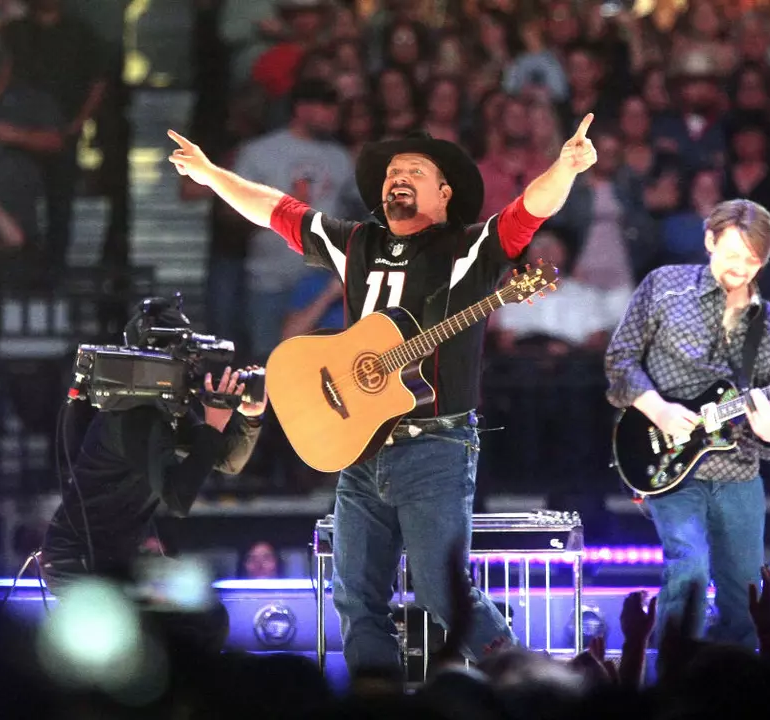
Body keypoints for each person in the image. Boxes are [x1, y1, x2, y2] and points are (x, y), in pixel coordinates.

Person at [167, 114, 598, 673]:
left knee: (446, 596)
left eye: (414, 170)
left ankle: (525, 686)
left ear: (444, 193)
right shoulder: (356, 242)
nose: (398, 176)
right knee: (355, 600)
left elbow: (530, 209)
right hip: (359, 445)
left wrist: (563, 167)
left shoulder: (466, 250)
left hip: (435, 448)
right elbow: (273, 208)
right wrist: (209, 175)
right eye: (393, 170)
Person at [604, 199, 770, 651]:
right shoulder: (664, 287)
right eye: (732, 255)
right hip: (667, 459)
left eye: (753, 261)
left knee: (743, 591)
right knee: (688, 564)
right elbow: (621, 359)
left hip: (739, 474)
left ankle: (733, 688)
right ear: (710, 241)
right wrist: (659, 410)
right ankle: (675, 671)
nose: (741, 269)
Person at [39, 296, 267, 652]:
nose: (191, 365)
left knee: (207, 618)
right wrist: (213, 425)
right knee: (151, 640)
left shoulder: (160, 409)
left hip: (118, 557)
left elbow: (227, 461)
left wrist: (249, 418)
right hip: (78, 560)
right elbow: (177, 498)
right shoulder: (135, 415)